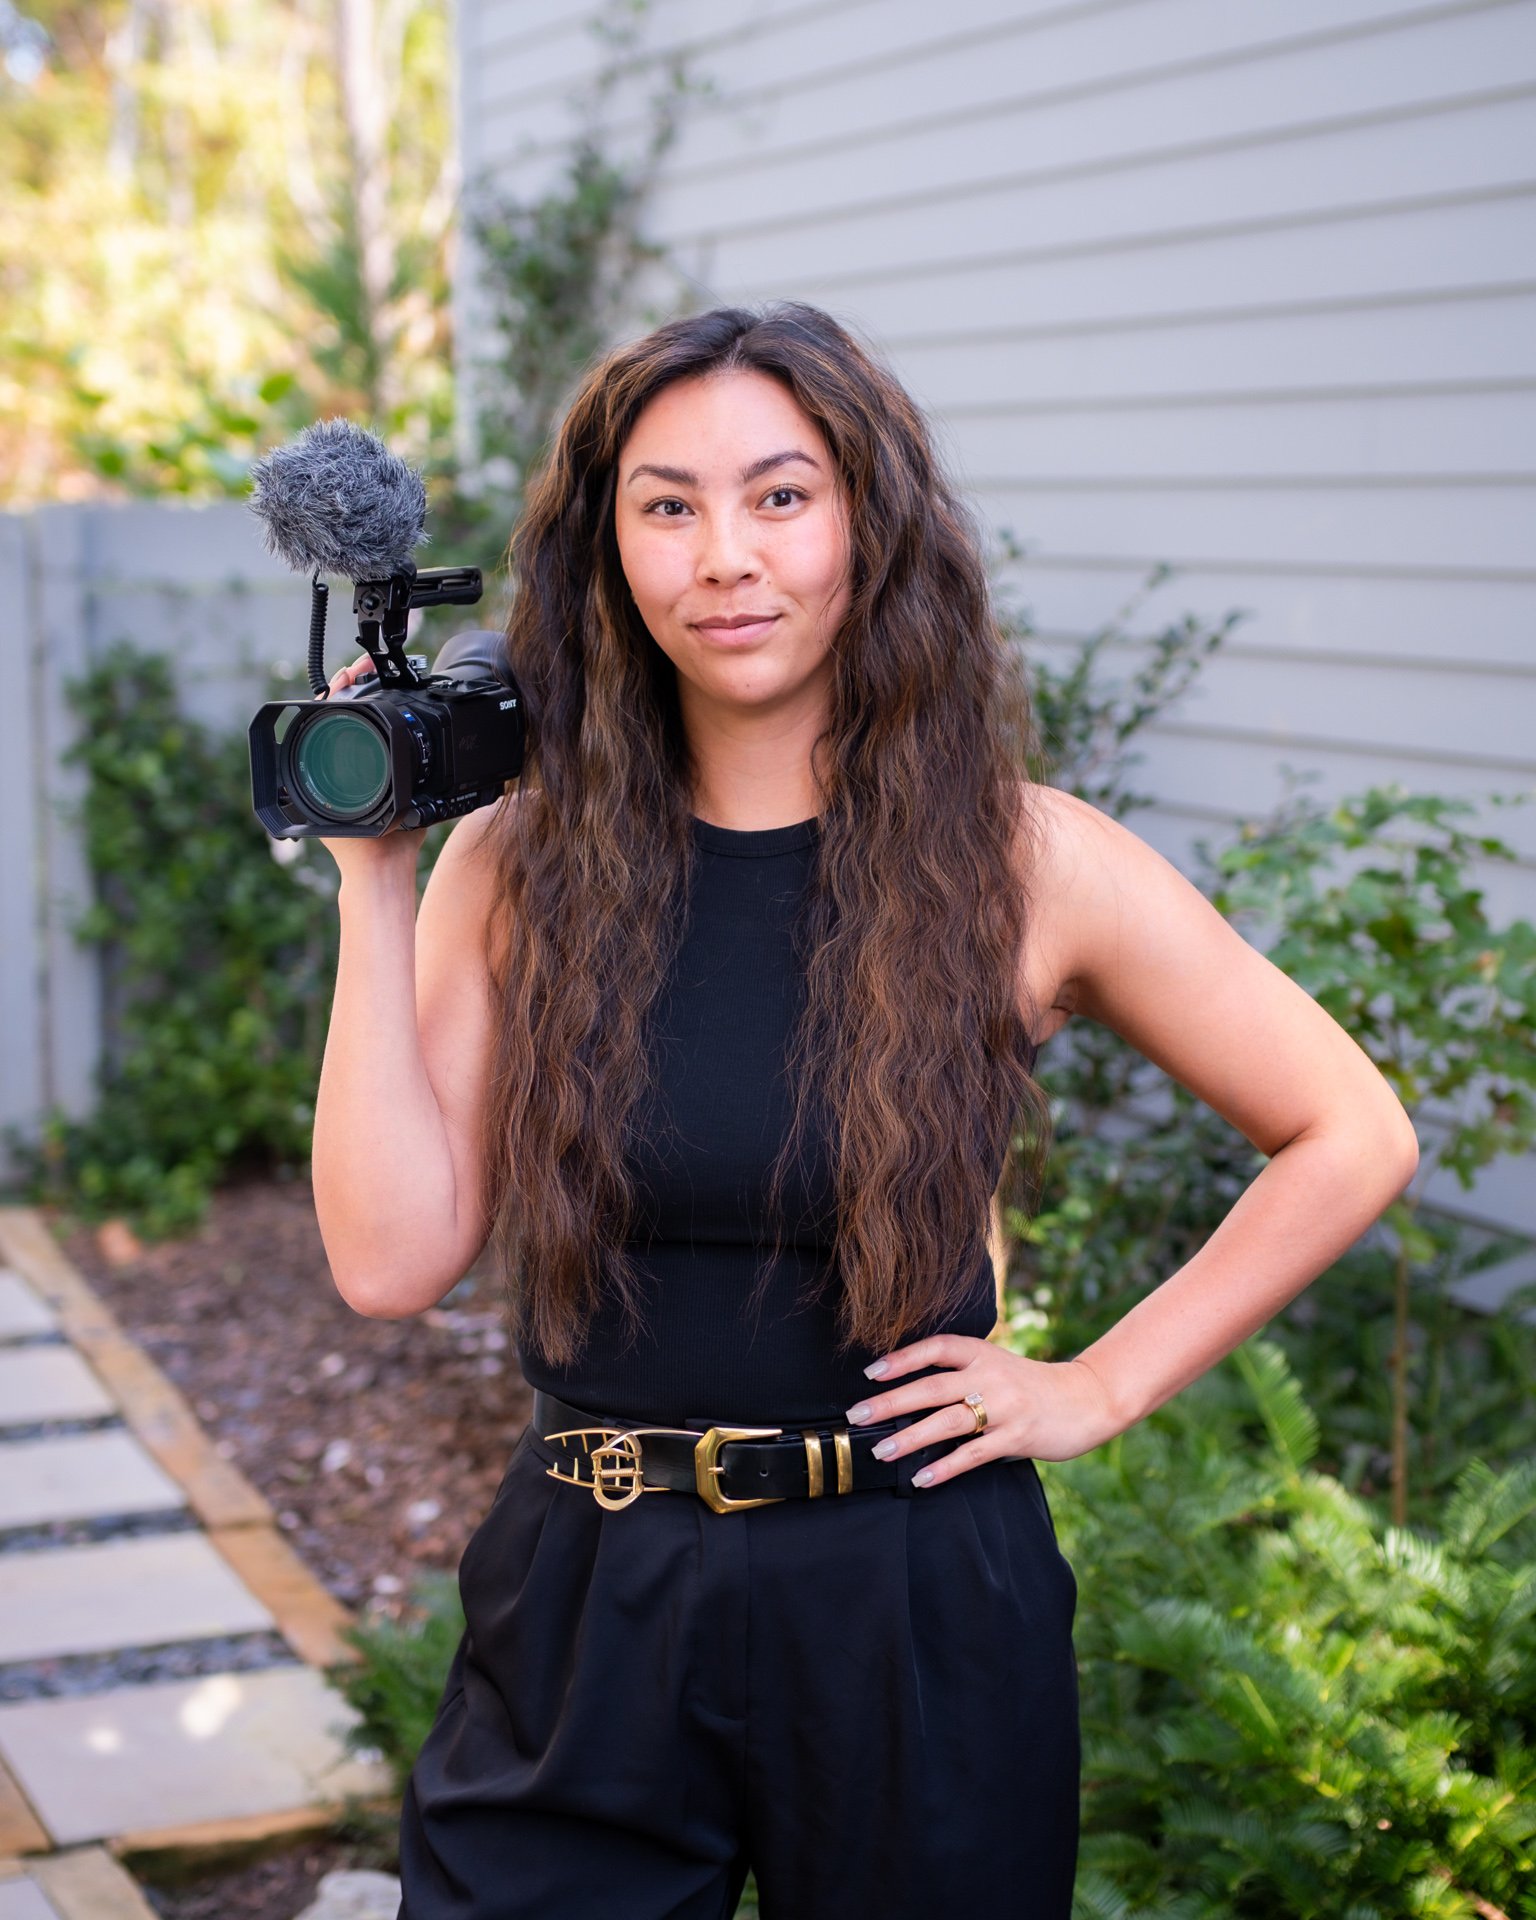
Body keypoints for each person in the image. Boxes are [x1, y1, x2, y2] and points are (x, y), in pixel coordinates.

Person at [311, 301, 1419, 1920]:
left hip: (908, 1590)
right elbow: (391, 1261)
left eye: (781, 495)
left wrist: (1097, 1387)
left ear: (867, 523)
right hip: (590, 1584)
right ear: (609, 550)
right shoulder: (516, 866)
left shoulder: (1026, 861)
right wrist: (378, 877)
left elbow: (1352, 1129)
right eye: (667, 505)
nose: (723, 558)